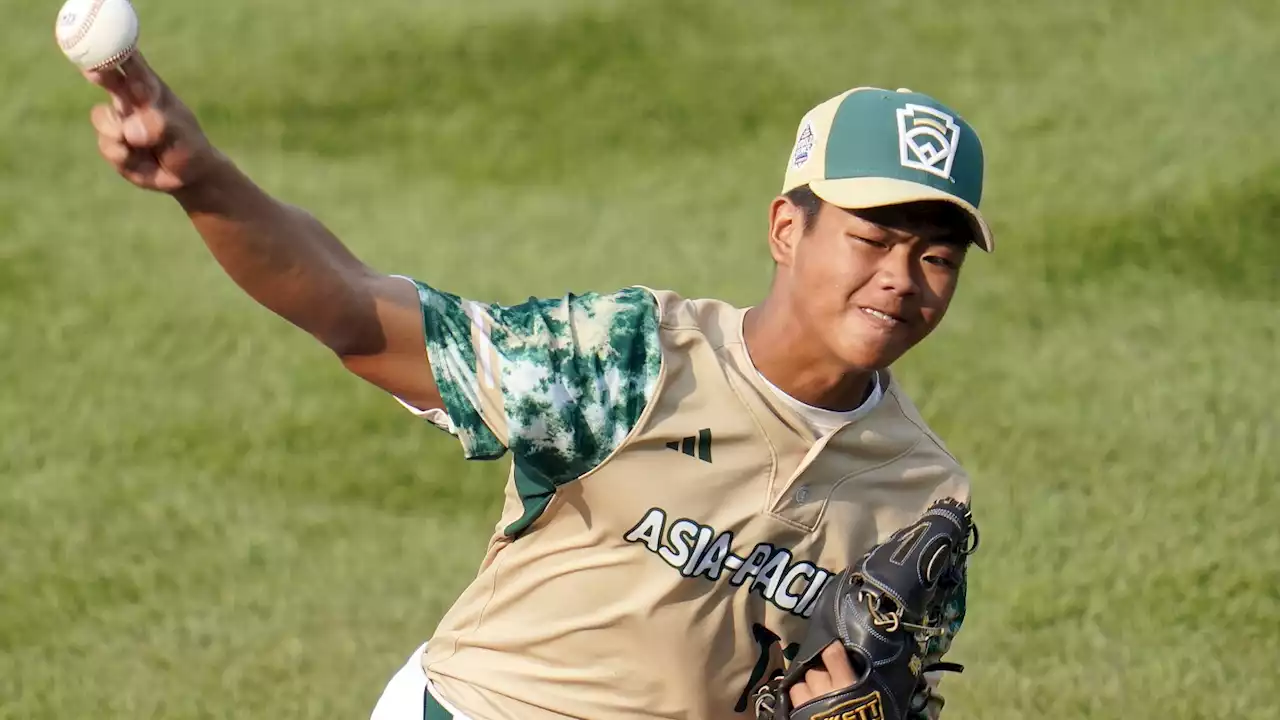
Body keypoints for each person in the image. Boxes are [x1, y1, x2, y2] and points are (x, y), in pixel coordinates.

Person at [81, 51, 993, 720]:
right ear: (786, 229)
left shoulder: (922, 496)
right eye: (871, 240)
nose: (900, 279)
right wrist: (202, 181)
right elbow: (359, 316)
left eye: (937, 257)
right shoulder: (639, 356)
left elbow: (878, 694)